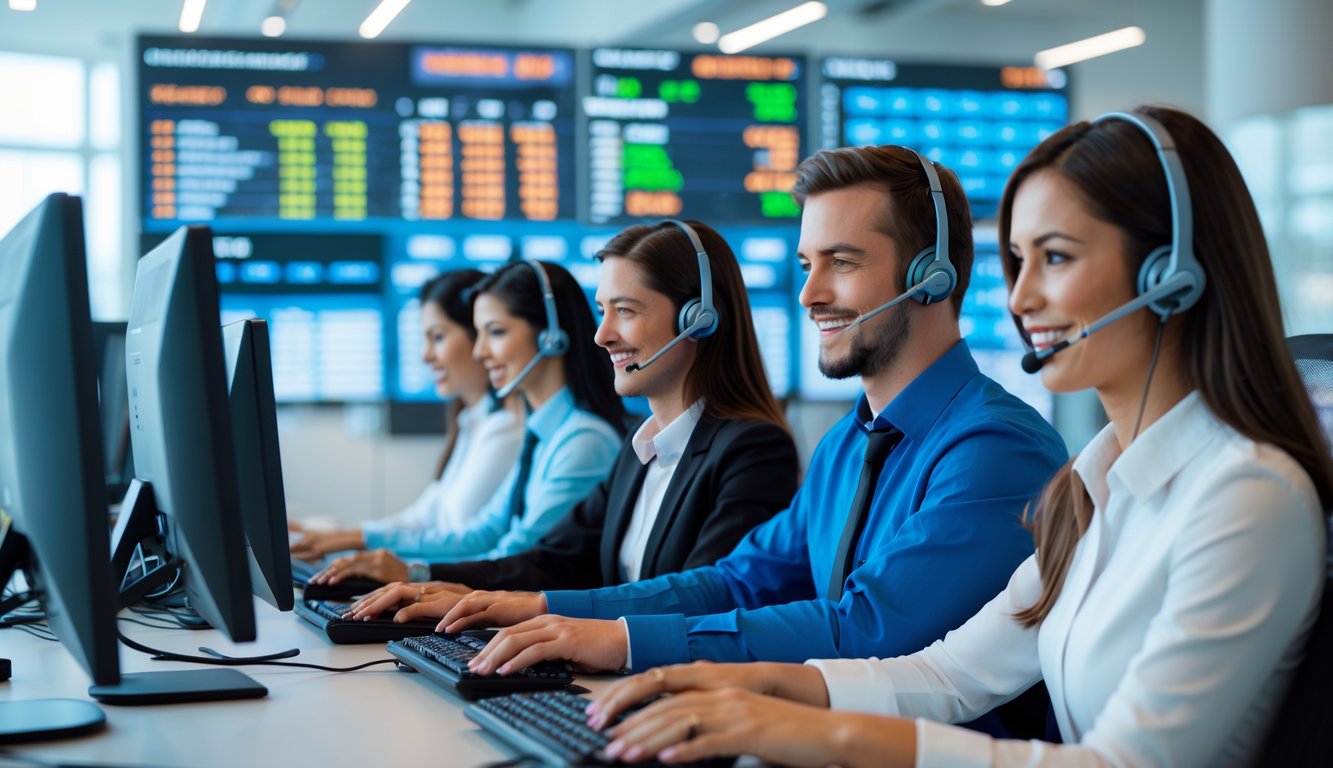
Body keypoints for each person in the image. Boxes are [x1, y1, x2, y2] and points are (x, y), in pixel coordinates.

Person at [584, 106, 1333, 767]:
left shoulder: (1245, 495)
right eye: (1017, 262)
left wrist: (814, 731)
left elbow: (1121, 762)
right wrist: (727, 685)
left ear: (1169, 271)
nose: (1020, 297)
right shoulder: (1092, 486)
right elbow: (950, 673)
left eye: (1055, 258)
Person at [405, 146, 1068, 687]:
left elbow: (870, 628)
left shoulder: (994, 448)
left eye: (842, 262)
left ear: (931, 275)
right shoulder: (847, 444)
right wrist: (543, 607)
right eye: (807, 265)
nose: (809, 294)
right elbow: (740, 580)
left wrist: (624, 642)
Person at [340, 220, 799, 615]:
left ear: (697, 318)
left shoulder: (753, 451)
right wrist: (431, 581)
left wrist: (543, 610)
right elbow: (553, 560)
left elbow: (704, 600)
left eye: (625, 310)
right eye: (602, 311)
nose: (601, 335)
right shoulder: (640, 452)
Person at [310, 260, 627, 581]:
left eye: (496, 332)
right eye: (479, 334)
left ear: (551, 336)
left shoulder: (584, 441)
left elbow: (520, 558)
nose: (480, 352)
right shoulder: (542, 434)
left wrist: (415, 574)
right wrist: (373, 549)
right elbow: (485, 533)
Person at [289, 269, 525, 562]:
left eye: (438, 337)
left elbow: (465, 540)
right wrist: (333, 536)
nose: (425, 355)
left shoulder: (507, 430)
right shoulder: (471, 423)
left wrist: (354, 541)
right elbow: (423, 518)